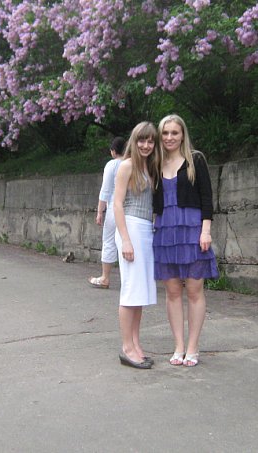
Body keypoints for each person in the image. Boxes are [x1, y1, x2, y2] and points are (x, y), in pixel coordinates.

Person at [152, 114, 219, 367]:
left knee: (193, 290)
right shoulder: (155, 162)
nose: (169, 137)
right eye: (165, 133)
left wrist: (206, 230)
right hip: (165, 231)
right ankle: (179, 346)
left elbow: (207, 197)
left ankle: (193, 347)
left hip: (192, 230)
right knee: (171, 292)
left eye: (174, 133)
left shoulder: (195, 159)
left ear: (182, 135)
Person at [113, 122, 161, 369]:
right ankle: (126, 348)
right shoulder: (127, 165)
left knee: (139, 293)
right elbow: (117, 204)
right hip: (130, 229)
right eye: (142, 140)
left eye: (151, 141)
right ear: (134, 140)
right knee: (131, 290)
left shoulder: (149, 167)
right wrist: (126, 240)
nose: (146, 145)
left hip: (144, 230)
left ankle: (135, 343)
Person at [89, 137, 126, 289]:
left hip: (114, 208)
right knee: (128, 243)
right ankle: (129, 280)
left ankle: (105, 277)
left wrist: (99, 212)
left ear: (113, 151)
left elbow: (105, 190)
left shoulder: (112, 165)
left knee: (109, 241)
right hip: (131, 210)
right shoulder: (133, 163)